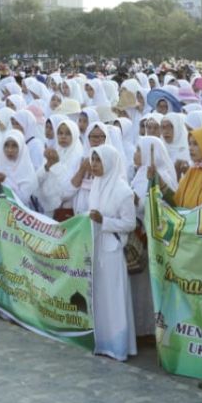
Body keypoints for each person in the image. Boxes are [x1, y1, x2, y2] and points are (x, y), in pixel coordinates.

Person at [74, 145, 137, 361]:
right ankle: (100, 342)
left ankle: (117, 346)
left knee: (113, 297)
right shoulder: (96, 185)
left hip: (111, 249)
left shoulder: (123, 190)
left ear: (109, 162)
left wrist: (105, 221)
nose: (94, 165)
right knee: (98, 296)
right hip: (95, 247)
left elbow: (130, 223)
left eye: (98, 160)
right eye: (92, 159)